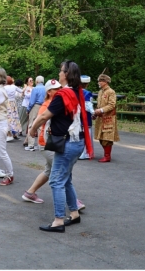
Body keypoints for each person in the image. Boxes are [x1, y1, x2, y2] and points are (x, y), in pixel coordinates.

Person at [29, 60, 93, 233]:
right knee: (66, 179)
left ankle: (58, 220)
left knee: (56, 181)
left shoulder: (62, 95)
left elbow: (43, 117)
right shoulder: (76, 92)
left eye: (61, 71)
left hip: (67, 144)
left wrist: (33, 129)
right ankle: (74, 213)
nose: (59, 73)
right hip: (76, 142)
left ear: (66, 74)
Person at [22, 78, 85, 211]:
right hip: (48, 143)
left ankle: (30, 193)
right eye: (55, 89)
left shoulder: (61, 100)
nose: (58, 90)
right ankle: (73, 203)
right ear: (49, 92)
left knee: (50, 171)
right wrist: (32, 130)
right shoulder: (48, 105)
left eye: (59, 88)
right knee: (63, 172)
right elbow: (42, 119)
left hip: (54, 142)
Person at [93, 74, 120, 162]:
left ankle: (107, 156)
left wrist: (101, 110)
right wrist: (96, 112)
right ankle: (106, 154)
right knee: (101, 137)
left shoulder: (111, 92)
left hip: (108, 118)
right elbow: (99, 104)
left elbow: (112, 105)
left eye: (100, 81)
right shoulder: (100, 92)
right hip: (101, 118)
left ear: (105, 82)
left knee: (107, 137)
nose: (99, 83)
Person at [25, 76, 45, 151]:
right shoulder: (46, 88)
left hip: (35, 106)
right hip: (43, 107)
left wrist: (28, 109)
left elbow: (32, 101)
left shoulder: (35, 89)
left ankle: (31, 145)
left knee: (31, 124)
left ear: (37, 81)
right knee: (40, 125)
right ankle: (40, 144)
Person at [78, 75, 94, 160]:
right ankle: (85, 153)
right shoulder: (88, 93)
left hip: (77, 116)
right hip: (85, 117)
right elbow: (88, 106)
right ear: (87, 84)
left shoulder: (75, 92)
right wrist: (94, 113)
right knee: (86, 133)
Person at [4, 76, 23, 141]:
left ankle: (9, 134)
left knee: (8, 118)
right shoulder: (14, 87)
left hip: (7, 103)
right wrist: (26, 88)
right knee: (15, 118)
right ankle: (15, 134)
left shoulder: (4, 87)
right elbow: (21, 91)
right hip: (13, 103)